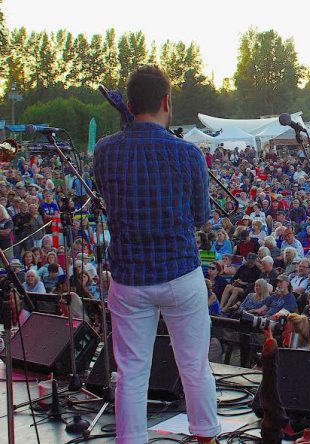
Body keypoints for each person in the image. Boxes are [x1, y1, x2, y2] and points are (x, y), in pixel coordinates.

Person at [93, 66, 219, 443]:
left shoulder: (104, 152)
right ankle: (206, 436)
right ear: (167, 101)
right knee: (194, 366)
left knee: (131, 372)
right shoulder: (188, 154)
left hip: (129, 279)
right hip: (180, 274)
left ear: (129, 105)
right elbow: (200, 217)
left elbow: (109, 201)